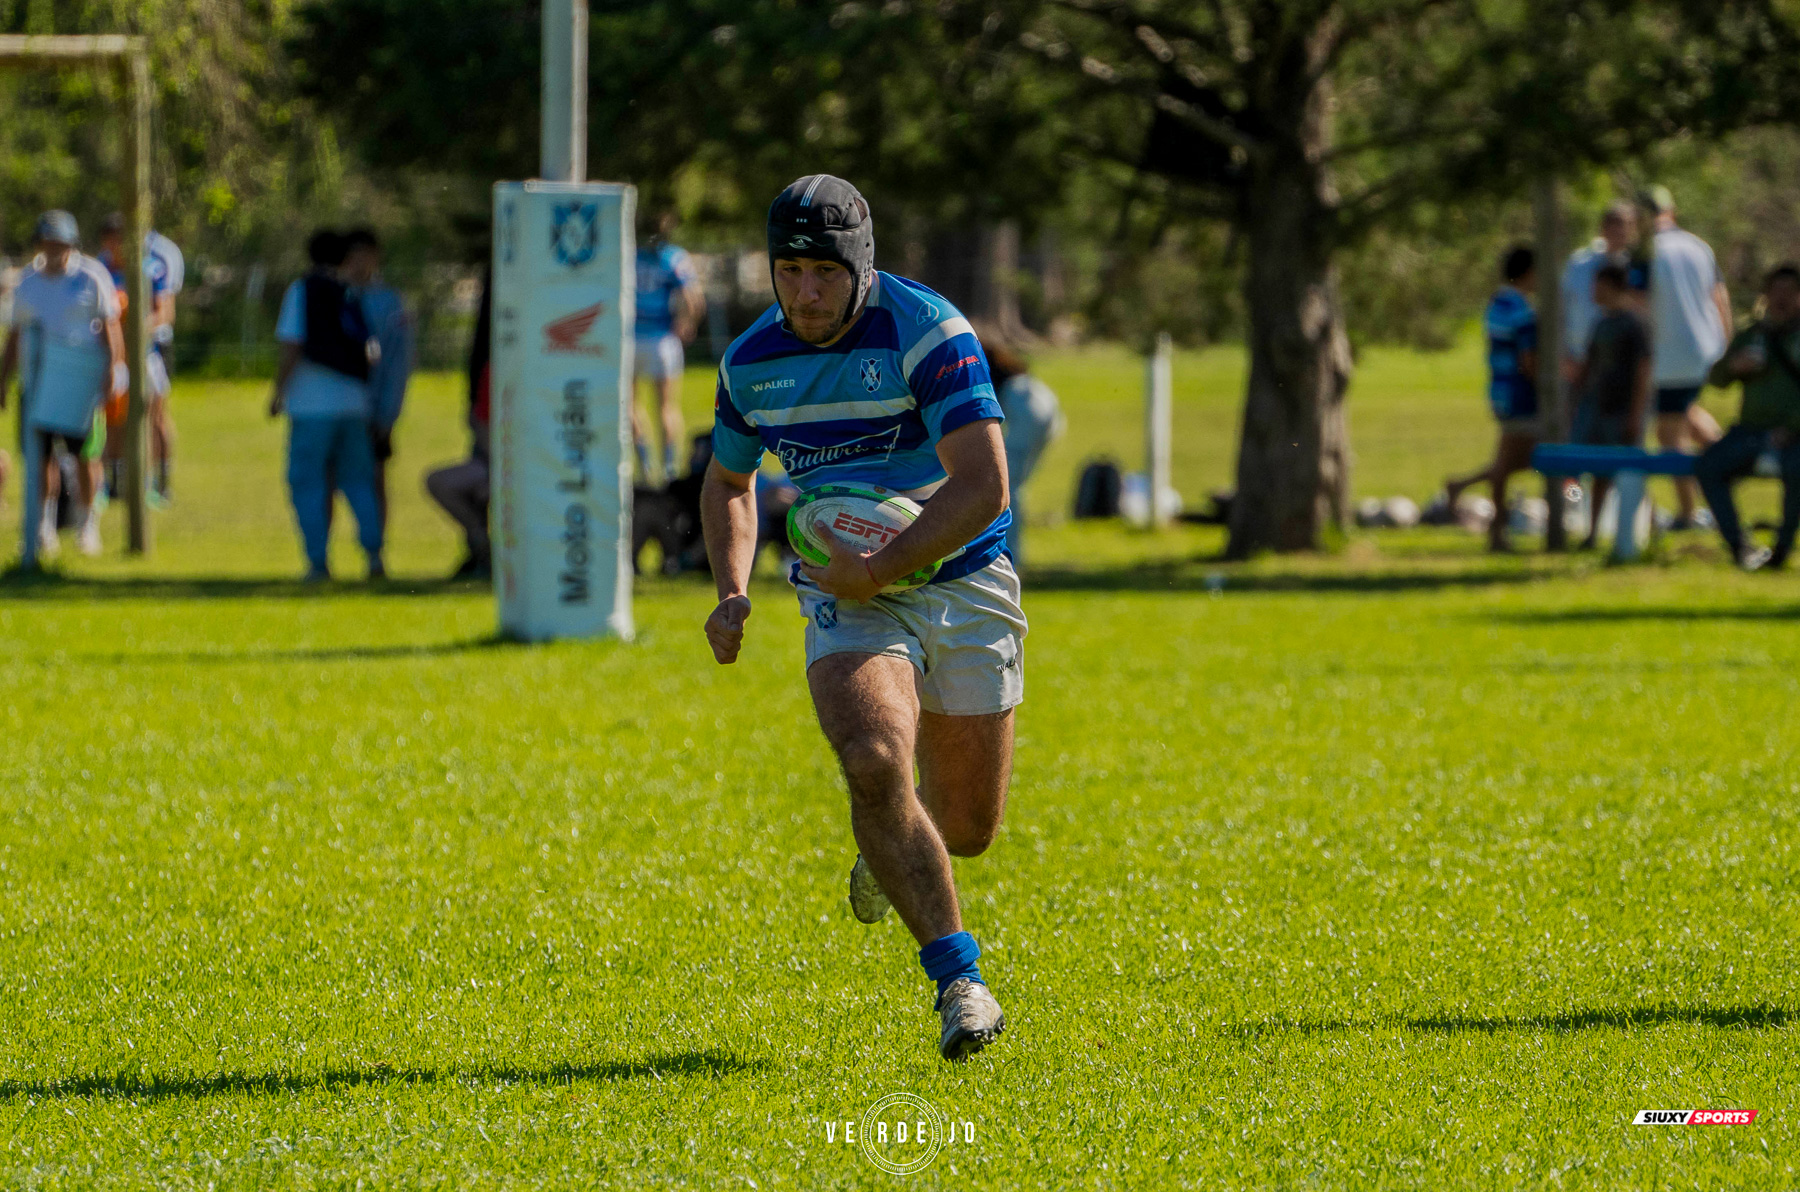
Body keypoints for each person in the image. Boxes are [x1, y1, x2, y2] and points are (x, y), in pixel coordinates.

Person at [702, 175, 1019, 1061]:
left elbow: (984, 483)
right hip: (845, 592)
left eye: (824, 273)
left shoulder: (928, 333)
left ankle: (893, 843)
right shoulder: (751, 362)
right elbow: (729, 481)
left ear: (862, 266)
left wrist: (881, 567)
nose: (804, 293)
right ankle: (961, 985)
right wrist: (733, 588)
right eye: (789, 270)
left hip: (961, 578)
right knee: (874, 759)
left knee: (967, 827)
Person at [0, 210, 124, 563]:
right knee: (41, 458)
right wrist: (3, 380)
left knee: (85, 456)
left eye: (62, 244)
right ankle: (43, 528)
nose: (55, 251)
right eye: (49, 244)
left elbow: (110, 326)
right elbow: (15, 336)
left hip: (79, 382)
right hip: (38, 383)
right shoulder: (28, 282)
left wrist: (112, 371)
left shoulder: (91, 277)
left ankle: (88, 525)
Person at [269, 229, 384, 582]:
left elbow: (292, 345)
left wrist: (278, 393)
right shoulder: (349, 292)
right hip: (354, 404)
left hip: (311, 405)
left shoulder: (303, 289)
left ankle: (318, 562)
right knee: (359, 480)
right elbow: (371, 350)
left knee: (308, 483)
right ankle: (374, 556)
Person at [1694, 264, 1800, 570]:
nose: (1781, 299)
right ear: (1765, 295)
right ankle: (1739, 547)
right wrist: (1734, 367)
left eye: (1790, 292)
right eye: (1776, 292)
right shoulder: (1754, 335)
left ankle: (1781, 550)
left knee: (1797, 471)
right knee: (1709, 465)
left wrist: (1791, 428)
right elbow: (1716, 378)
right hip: (1751, 433)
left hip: (1794, 436)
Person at [1444, 245, 1539, 551]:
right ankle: (1496, 533)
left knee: (1521, 458)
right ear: (1529, 272)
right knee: (1513, 462)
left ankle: (1462, 486)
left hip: (1499, 390)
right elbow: (1528, 361)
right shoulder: (1522, 310)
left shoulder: (1498, 303)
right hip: (1519, 393)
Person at [1647, 186, 1730, 529]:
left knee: (1670, 433)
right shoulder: (1699, 246)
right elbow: (1720, 297)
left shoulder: (1648, 251)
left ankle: (1688, 512)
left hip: (1667, 356)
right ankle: (1729, 461)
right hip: (1701, 351)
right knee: (1688, 415)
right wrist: (1724, 343)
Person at [1570, 264, 1652, 548]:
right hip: (1598, 408)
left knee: (1629, 474)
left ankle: (1639, 534)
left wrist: (1635, 415)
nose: (1593, 291)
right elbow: (1588, 367)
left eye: (1598, 285)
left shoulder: (1635, 323)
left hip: (1622, 410)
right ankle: (1591, 533)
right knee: (1599, 473)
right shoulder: (1601, 322)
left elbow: (1643, 370)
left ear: (1612, 286)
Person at [95, 212, 174, 507]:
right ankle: (112, 484)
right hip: (111, 357)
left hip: (145, 355)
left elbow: (165, 312)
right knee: (111, 420)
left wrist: (136, 329)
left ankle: (159, 483)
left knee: (154, 417)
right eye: (112, 238)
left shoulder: (150, 268)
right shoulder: (100, 270)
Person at [342, 228, 413, 534]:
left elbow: (400, 360)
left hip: (374, 408)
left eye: (364, 255)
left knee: (375, 477)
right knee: (329, 478)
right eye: (351, 256)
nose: (358, 263)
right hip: (339, 406)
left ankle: (376, 550)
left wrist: (388, 412)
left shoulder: (391, 301)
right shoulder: (334, 297)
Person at [427, 271, 492, 580]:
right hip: (490, 463)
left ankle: (486, 551)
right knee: (441, 481)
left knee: (482, 487)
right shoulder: (488, 372)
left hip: (515, 470)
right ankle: (480, 545)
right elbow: (480, 425)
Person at [979, 330, 1064, 565]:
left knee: (1007, 488)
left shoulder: (993, 374)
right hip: (1049, 411)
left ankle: (1009, 555)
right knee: (1013, 487)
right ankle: (1011, 554)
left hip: (1030, 414)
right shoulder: (1015, 374)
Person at [633, 210, 705, 482]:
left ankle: (644, 467)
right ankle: (670, 469)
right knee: (666, 406)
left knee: (631, 406)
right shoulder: (673, 256)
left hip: (632, 337)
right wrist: (688, 322)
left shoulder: (629, 256)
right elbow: (694, 298)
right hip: (662, 339)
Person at [1561, 201, 1639, 372]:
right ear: (1603, 227)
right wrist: (1564, 354)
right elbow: (1562, 308)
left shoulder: (1637, 267)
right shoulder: (1579, 263)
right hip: (1579, 359)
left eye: (1628, 225)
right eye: (1615, 223)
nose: (1621, 230)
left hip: (1622, 362)